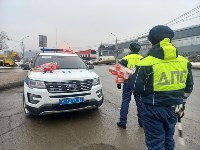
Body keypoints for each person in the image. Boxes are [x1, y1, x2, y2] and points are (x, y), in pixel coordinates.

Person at [130, 25, 194, 150]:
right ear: (170, 40)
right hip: (175, 107)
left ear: (151, 42)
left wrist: (131, 78)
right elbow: (189, 88)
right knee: (168, 138)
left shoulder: (145, 63)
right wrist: (182, 105)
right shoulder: (184, 62)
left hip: (152, 109)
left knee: (155, 142)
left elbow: (138, 88)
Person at [117, 42, 143, 129]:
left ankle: (122, 122)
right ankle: (142, 122)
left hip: (127, 82)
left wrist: (119, 83)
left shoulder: (125, 58)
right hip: (139, 84)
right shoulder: (143, 59)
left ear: (130, 49)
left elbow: (120, 72)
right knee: (140, 103)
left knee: (125, 102)